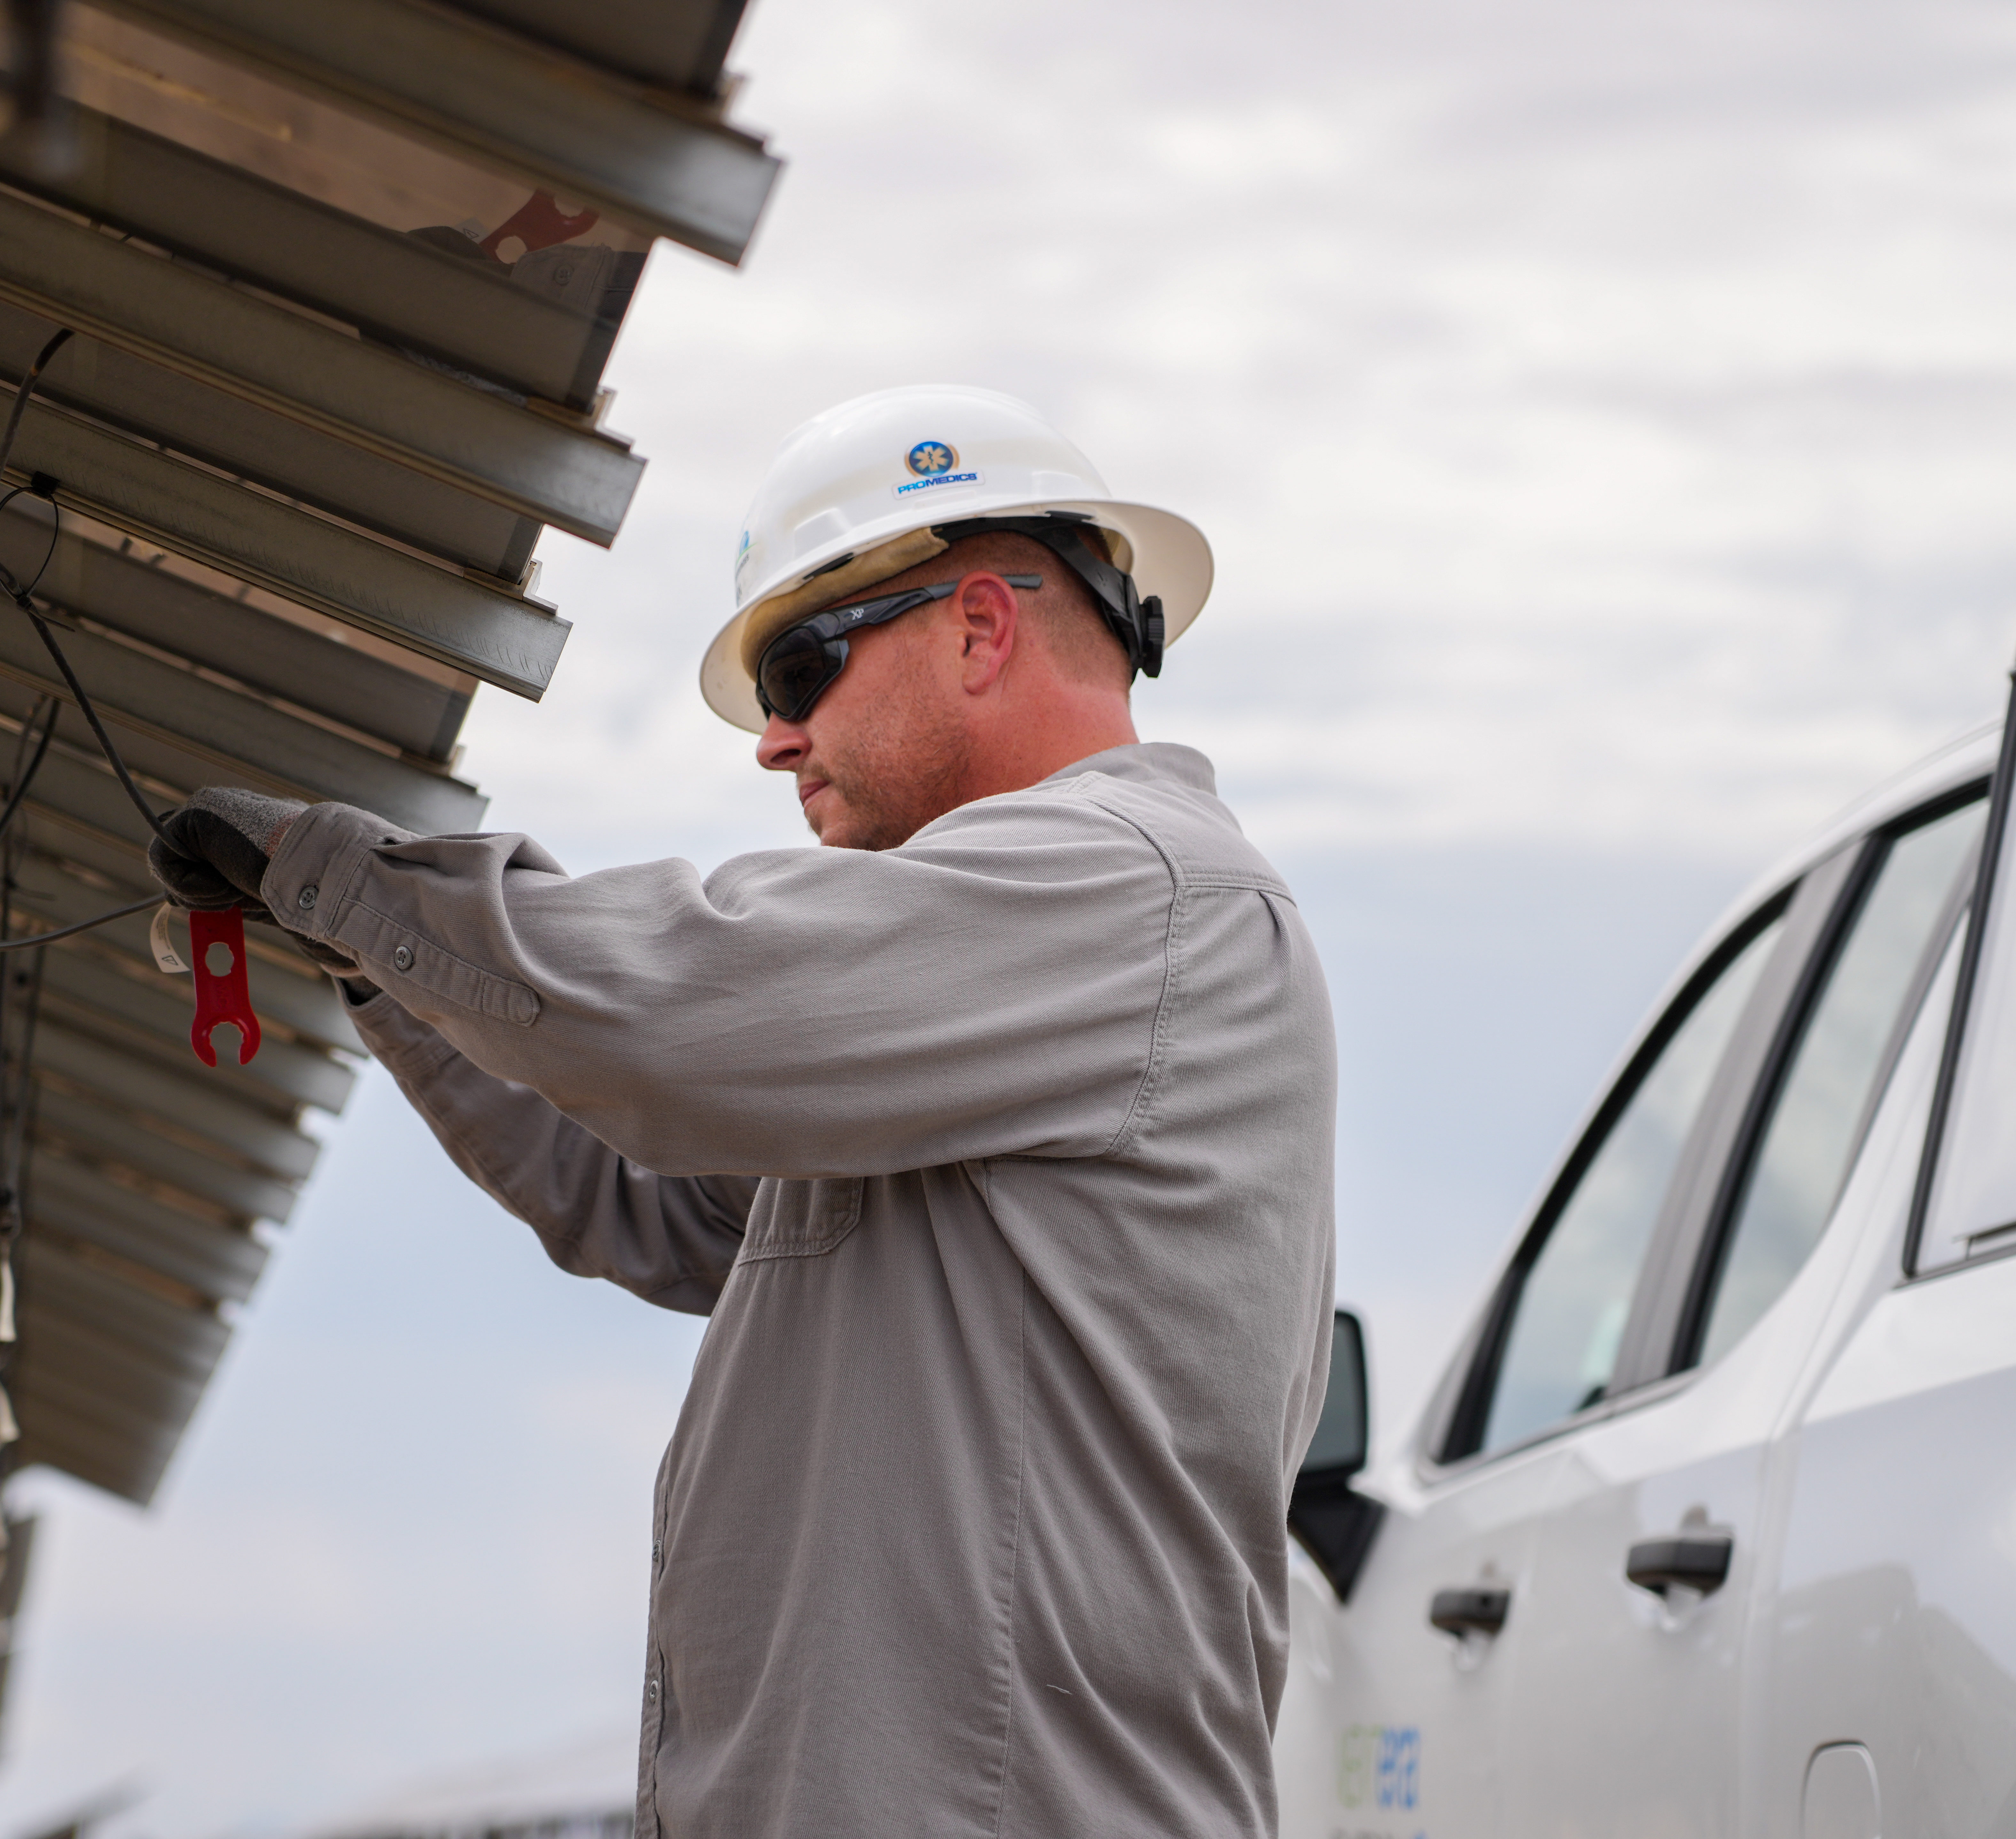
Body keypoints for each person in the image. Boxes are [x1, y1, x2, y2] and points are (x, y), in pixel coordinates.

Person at [148, 385, 1338, 1838]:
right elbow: (649, 1193)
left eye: (799, 671)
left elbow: (676, 1006)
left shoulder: (1137, 890)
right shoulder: (964, 1015)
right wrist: (380, 967)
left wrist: (356, 880)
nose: (773, 743)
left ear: (980, 626)